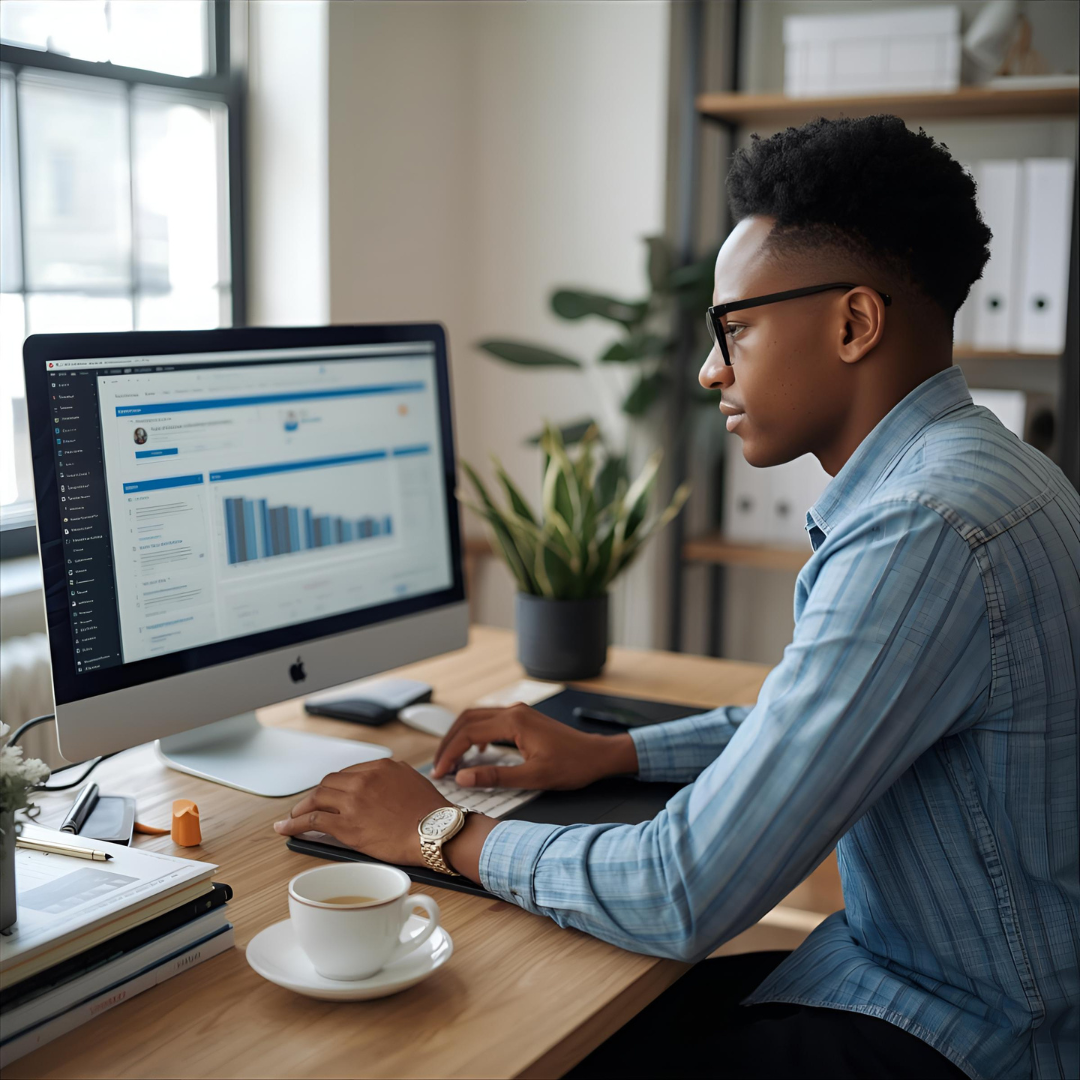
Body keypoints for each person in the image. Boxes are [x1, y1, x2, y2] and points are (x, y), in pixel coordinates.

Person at [274, 116, 1079, 1079]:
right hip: (944, 984)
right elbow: (814, 723)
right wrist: (614, 752)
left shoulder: (923, 527)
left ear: (853, 322)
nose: (711, 370)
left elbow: (681, 890)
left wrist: (438, 830)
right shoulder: (989, 472)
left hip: (965, 1035)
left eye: (734, 329)